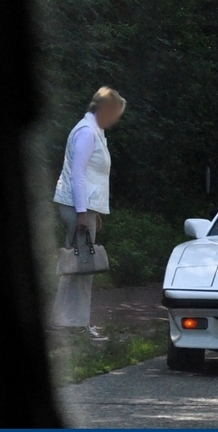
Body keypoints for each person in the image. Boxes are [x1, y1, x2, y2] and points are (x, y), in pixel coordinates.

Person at [49, 87, 126, 340]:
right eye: (115, 113)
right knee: (81, 265)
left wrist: (93, 210)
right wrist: (83, 212)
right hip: (75, 206)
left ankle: (68, 321)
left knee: (80, 265)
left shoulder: (96, 131)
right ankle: (74, 324)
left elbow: (92, 176)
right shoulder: (86, 133)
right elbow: (78, 176)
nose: (117, 119)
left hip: (83, 206)